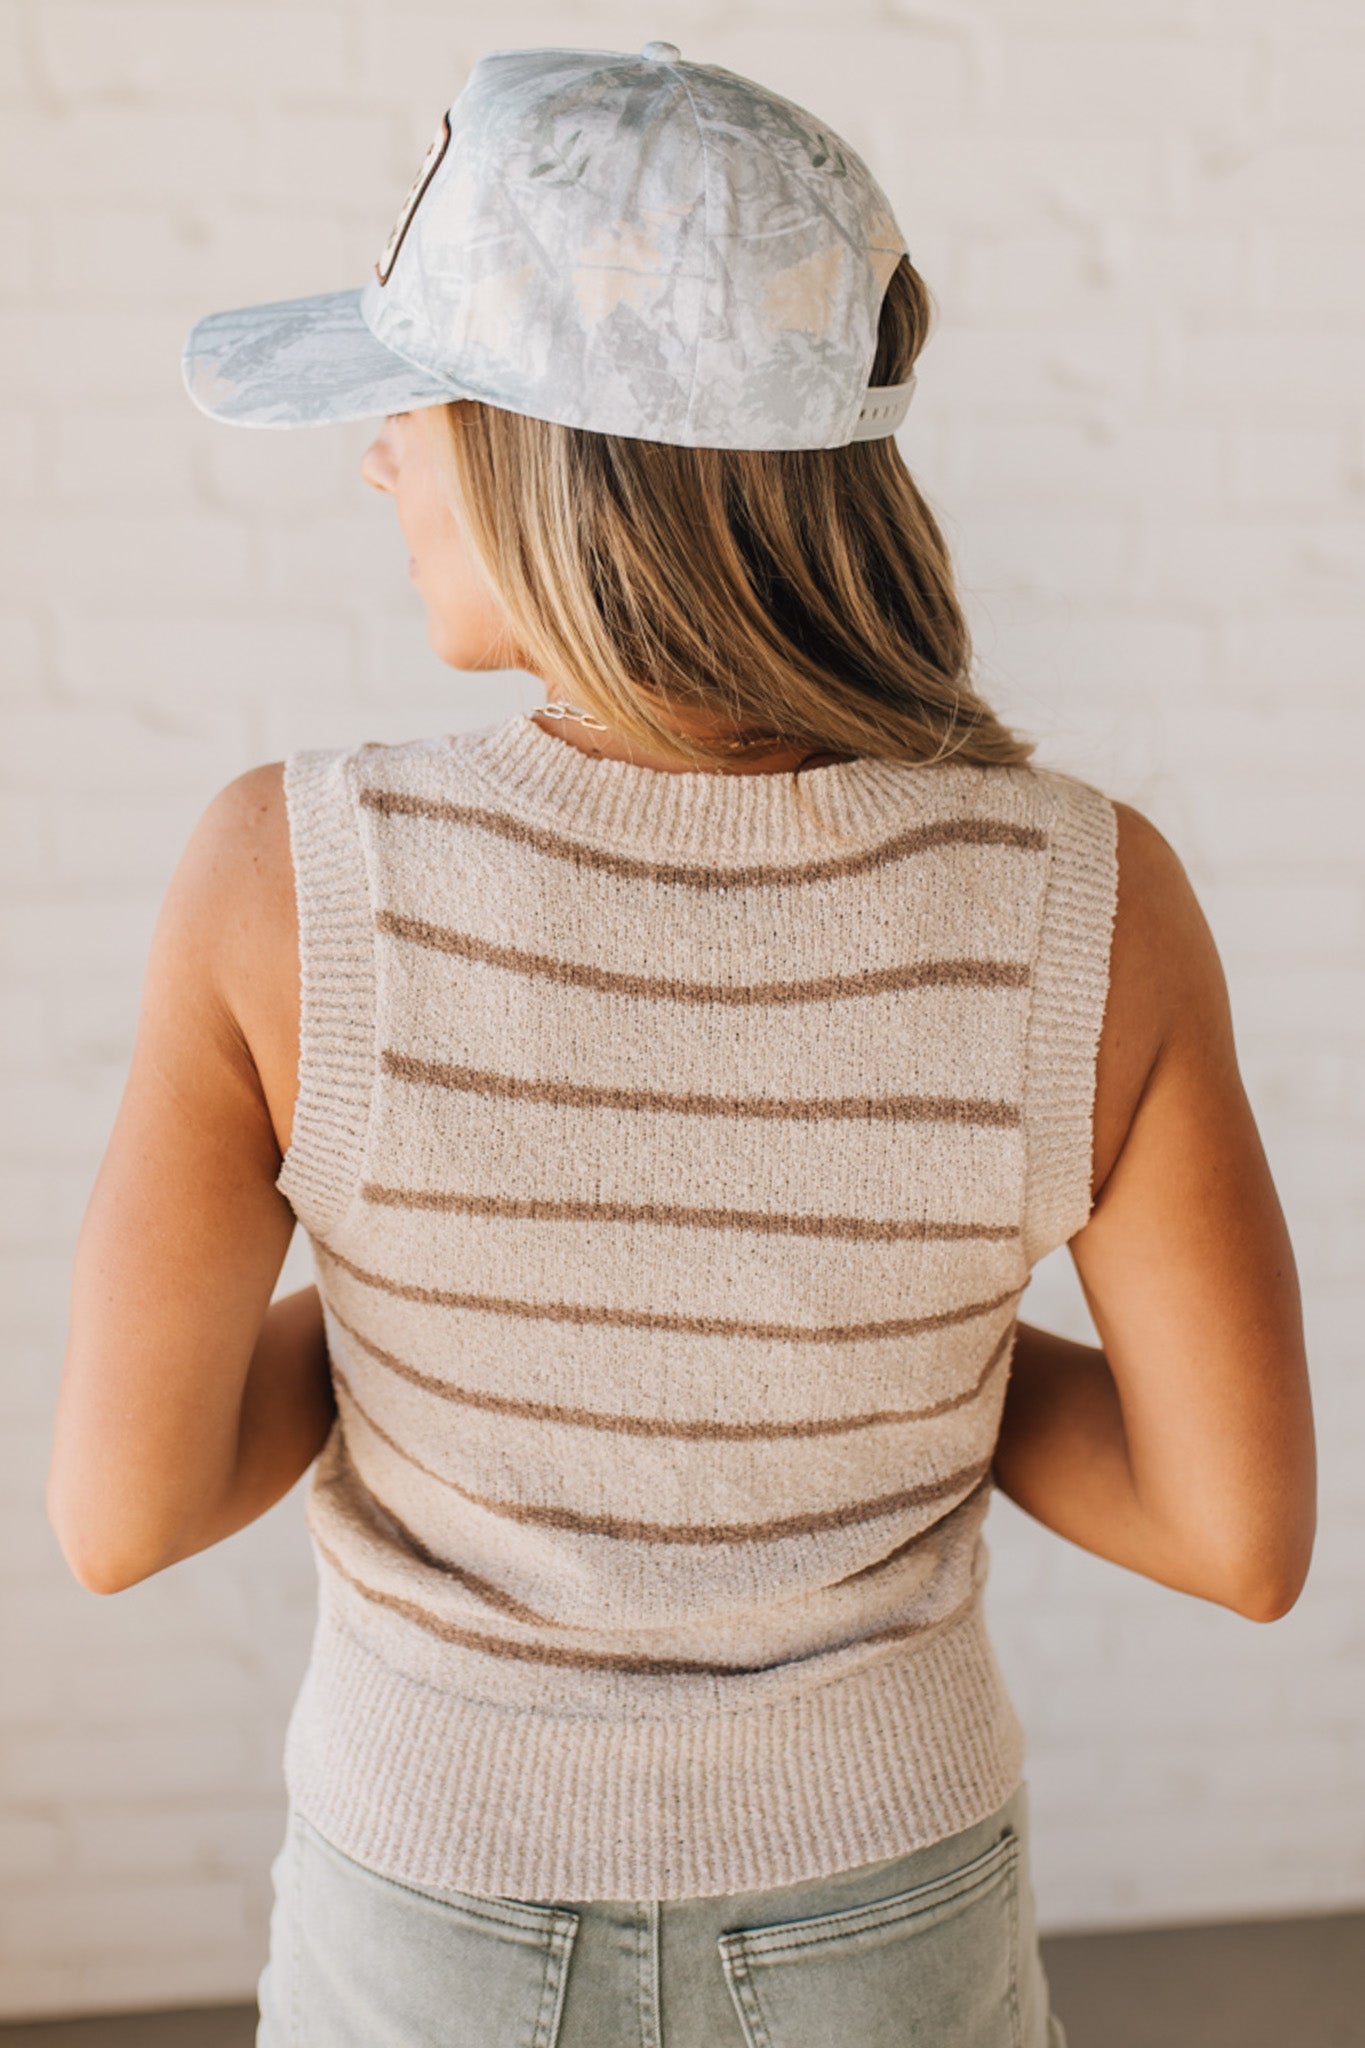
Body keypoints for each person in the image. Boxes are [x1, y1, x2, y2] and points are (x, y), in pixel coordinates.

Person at [47, 41, 1315, 2048]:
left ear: (553, 448)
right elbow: (1230, 1532)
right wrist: (842, 1347)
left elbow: (123, 1508)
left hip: (427, 1914)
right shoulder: (1094, 898)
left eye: (417, 396)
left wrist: (453, 1321)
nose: (377, 452)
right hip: (879, 1914)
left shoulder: (287, 882)